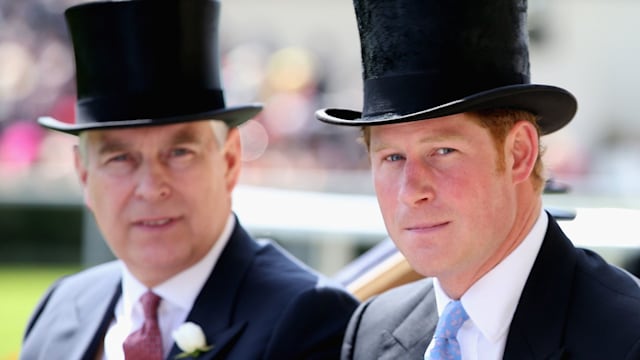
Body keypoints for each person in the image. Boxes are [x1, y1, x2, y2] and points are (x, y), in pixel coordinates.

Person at [20, 0, 358, 359]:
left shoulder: (308, 319)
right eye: (120, 158)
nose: (151, 188)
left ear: (229, 160)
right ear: (84, 175)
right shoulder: (61, 309)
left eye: (179, 153)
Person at [316, 0, 640, 359]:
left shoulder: (626, 336)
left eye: (442, 151)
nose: (411, 192)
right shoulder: (372, 332)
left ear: (519, 152)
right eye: (392, 157)